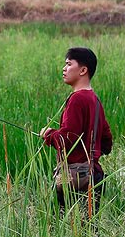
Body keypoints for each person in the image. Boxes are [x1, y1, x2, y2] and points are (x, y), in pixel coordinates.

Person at [40, 46, 113, 216]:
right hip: (94, 176)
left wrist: (49, 134)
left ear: (83, 70)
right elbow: (107, 141)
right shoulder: (94, 100)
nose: (64, 69)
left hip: (73, 179)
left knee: (61, 230)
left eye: (68, 64)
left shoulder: (77, 99)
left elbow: (68, 138)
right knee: (89, 232)